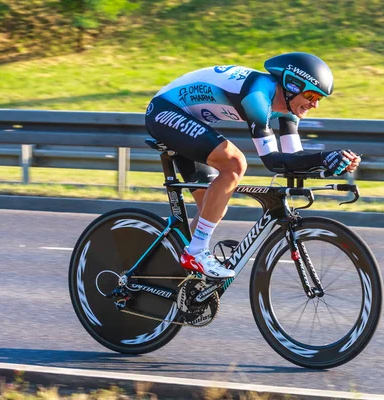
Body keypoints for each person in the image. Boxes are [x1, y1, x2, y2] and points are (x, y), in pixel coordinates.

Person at [145, 52, 361, 279]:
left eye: (320, 98)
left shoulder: (288, 108)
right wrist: (322, 158)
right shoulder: (257, 95)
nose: (315, 104)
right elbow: (272, 161)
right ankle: (196, 253)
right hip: (165, 111)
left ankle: (175, 272)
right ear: (291, 85)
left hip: (191, 120)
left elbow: (292, 159)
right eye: (310, 95)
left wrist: (332, 165)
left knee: (214, 204)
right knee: (234, 164)